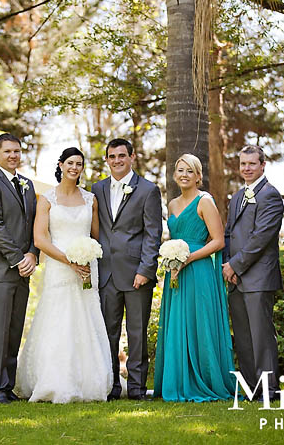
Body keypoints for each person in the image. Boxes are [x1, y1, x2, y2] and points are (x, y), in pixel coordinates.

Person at [14, 148, 112, 402]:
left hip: (86, 267)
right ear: (60, 165)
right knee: (58, 319)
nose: (74, 168)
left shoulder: (91, 199)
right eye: (70, 163)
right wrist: (70, 261)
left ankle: (89, 380)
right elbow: (40, 239)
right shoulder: (47, 199)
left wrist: (87, 257)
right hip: (59, 266)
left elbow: (96, 236)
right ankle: (53, 379)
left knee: (86, 318)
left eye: (79, 163)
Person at [153, 154, 238, 402]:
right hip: (175, 272)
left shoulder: (205, 201)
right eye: (180, 170)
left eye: (190, 171)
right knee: (178, 323)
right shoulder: (172, 204)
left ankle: (205, 380)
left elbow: (218, 241)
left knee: (199, 323)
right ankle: (178, 380)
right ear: (174, 174)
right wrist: (173, 258)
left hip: (198, 270)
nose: (184, 175)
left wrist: (188, 258)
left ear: (198, 176)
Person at [93, 138, 162, 401]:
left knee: (137, 333)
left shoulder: (148, 190)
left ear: (132, 157)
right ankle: (111, 386)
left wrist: (145, 269)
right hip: (106, 273)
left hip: (136, 273)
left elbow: (153, 234)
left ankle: (136, 388)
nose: (117, 160)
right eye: (112, 156)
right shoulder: (97, 188)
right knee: (107, 333)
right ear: (107, 160)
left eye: (122, 155)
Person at [0, 133, 39, 403]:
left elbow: (35, 223)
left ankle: (7, 385)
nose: (13, 155)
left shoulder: (27, 184)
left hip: (23, 269)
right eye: (8, 151)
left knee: (14, 330)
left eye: (17, 151)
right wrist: (18, 258)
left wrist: (33, 254)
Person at [223, 145, 283, 401]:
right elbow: (228, 234)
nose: (246, 168)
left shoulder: (270, 195)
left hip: (258, 277)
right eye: (243, 164)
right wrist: (228, 266)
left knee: (261, 337)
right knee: (244, 338)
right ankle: (251, 388)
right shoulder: (237, 197)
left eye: (251, 164)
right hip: (236, 278)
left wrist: (235, 265)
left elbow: (261, 238)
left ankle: (269, 389)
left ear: (262, 165)